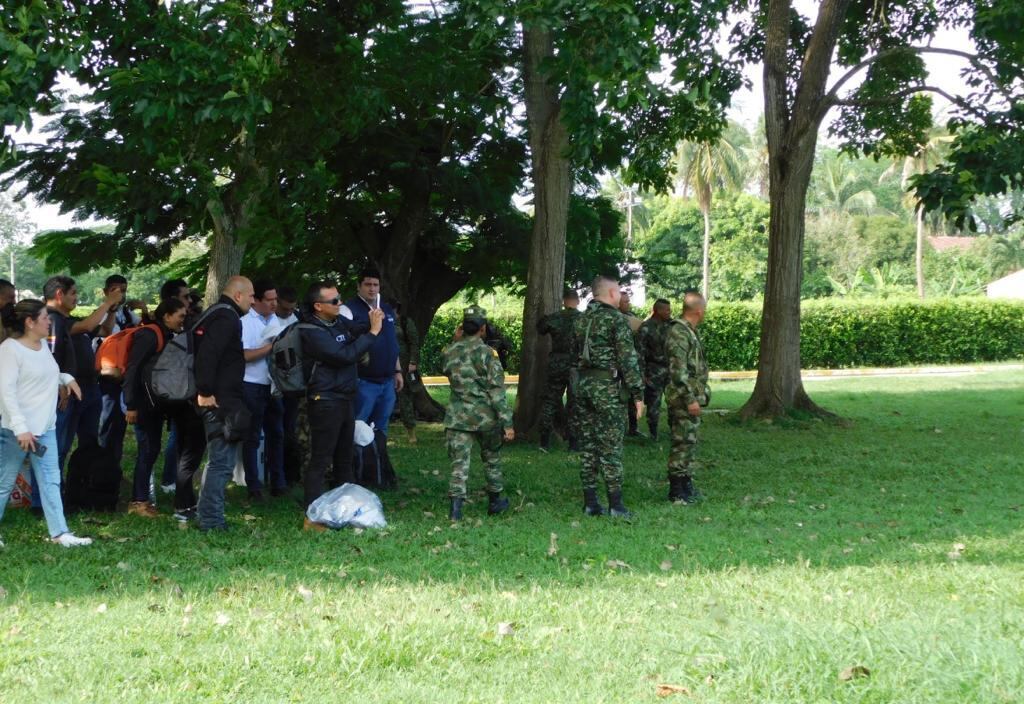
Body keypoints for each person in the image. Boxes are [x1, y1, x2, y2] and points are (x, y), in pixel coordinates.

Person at [0, 300, 92, 547]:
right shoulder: (10, 350)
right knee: (3, 483)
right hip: (17, 432)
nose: (49, 321)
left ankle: (60, 533)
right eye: (44, 317)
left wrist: (67, 378)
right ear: (30, 322)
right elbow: (6, 392)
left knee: (51, 480)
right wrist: (21, 428)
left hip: (45, 428)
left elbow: (47, 373)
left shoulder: (41, 346)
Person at [299, 281, 383, 527]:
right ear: (318, 306)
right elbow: (342, 356)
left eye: (339, 298)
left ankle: (344, 510)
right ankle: (312, 515)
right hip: (324, 400)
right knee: (321, 458)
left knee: (345, 457)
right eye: (334, 301)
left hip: (345, 398)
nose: (340, 304)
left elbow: (356, 329)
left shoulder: (336, 322)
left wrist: (372, 320)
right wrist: (373, 333)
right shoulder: (311, 331)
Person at [573, 276, 644, 518]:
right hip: (607, 388)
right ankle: (616, 505)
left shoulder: (581, 319)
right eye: (619, 291)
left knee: (588, 445)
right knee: (611, 445)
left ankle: (590, 503)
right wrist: (637, 394)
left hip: (582, 387)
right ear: (612, 293)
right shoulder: (615, 319)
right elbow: (628, 359)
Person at [43, 276, 123, 476]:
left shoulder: (69, 320)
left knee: (88, 443)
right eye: (74, 293)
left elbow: (105, 330)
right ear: (59, 294)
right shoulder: (50, 319)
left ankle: (84, 485)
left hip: (89, 388)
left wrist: (111, 309)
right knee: (61, 444)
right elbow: (87, 326)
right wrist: (107, 302)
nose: (77, 298)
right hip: (66, 391)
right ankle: (52, 491)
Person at [443, 305, 514, 521]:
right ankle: (495, 502)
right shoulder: (487, 354)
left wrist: (455, 341)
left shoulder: (450, 352)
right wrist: (507, 423)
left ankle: (455, 511)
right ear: (483, 328)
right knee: (491, 458)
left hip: (458, 417)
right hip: (485, 418)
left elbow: (446, 368)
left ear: (462, 327)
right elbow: (497, 391)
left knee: (459, 464)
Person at [194, 276, 253, 532]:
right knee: (221, 461)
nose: (254, 299)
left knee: (219, 460)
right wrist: (205, 391)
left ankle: (208, 516)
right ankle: (211, 520)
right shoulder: (226, 318)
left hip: (222, 397)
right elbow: (208, 355)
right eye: (251, 295)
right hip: (218, 400)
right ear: (238, 295)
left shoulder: (217, 314)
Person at [123, 299, 188, 517]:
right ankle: (139, 501)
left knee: (151, 449)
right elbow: (133, 369)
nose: (183, 320)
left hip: (155, 404)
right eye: (180, 315)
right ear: (167, 316)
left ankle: (143, 498)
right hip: (143, 405)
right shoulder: (150, 335)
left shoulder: (168, 334)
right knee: (147, 450)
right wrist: (130, 404)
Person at [340, 268, 403, 438]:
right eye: (368, 284)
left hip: (387, 381)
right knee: (359, 429)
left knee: (381, 428)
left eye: (376, 285)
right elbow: (346, 346)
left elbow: (392, 343)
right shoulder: (348, 309)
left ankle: (378, 462)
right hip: (364, 381)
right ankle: (357, 463)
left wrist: (397, 371)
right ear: (358, 286)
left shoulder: (387, 309)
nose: (372, 288)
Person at [240, 280, 286, 499]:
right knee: (252, 436)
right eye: (269, 300)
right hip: (252, 385)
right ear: (256, 301)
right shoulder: (244, 323)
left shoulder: (276, 320)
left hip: (274, 386)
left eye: (275, 299)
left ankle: (278, 482)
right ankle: (253, 485)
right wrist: (271, 348)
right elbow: (244, 356)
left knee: (277, 433)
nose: (274, 304)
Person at [665, 291, 710, 504]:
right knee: (682, 442)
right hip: (682, 398)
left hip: (690, 395)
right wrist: (690, 398)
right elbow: (678, 371)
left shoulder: (689, 331)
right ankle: (676, 492)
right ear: (699, 311)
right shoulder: (679, 333)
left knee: (689, 441)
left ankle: (686, 484)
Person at [95, 274, 143, 465]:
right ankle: (101, 466)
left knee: (119, 426)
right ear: (106, 292)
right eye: (114, 290)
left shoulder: (129, 314)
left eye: (122, 290)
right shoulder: (102, 314)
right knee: (106, 424)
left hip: (124, 376)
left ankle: (112, 467)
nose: (119, 294)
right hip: (107, 378)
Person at [537, 288, 582, 452]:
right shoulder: (584, 319)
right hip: (575, 366)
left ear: (564, 301)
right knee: (574, 403)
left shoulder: (554, 318)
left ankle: (544, 442)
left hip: (556, 363)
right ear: (577, 301)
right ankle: (574, 443)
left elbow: (540, 328)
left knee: (550, 401)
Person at [635, 298, 673, 441]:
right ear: (658, 310)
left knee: (674, 402)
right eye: (667, 310)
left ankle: (674, 430)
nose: (670, 312)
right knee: (653, 404)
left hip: (671, 370)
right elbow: (640, 353)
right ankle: (653, 433)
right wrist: (642, 373)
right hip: (653, 371)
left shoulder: (672, 325)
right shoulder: (646, 328)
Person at [275, 286, 301, 486]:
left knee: (290, 430)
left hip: (292, 385)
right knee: (278, 431)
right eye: (285, 309)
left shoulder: (297, 319)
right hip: (273, 383)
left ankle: (291, 474)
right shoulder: (270, 321)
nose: (289, 313)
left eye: (292, 309)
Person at [393, 301, 420, 444]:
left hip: (403, 365)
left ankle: (411, 432)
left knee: (405, 399)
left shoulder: (404, 322)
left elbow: (414, 342)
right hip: (385, 365)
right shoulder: (380, 321)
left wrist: (413, 362)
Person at [618, 290, 643, 437]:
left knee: (633, 397)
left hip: (631, 365)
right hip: (617, 366)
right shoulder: (615, 319)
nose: (629, 304)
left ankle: (633, 428)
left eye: (628, 301)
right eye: (625, 302)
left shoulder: (631, 317)